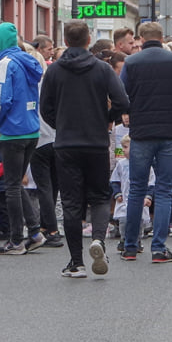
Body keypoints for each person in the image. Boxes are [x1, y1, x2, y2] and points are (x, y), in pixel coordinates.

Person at [39, 20, 129, 278]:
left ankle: (76, 262)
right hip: (96, 141)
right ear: (88, 40)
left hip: (66, 143)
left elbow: (45, 108)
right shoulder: (102, 69)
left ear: (65, 41)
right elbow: (123, 100)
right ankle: (98, 239)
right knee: (100, 196)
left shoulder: (54, 71)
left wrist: (62, 124)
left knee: (70, 201)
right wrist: (107, 117)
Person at [117, 21, 172, 263]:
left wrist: (133, 113)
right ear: (162, 38)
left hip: (141, 133)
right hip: (171, 132)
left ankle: (130, 246)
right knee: (164, 190)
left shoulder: (131, 62)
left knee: (136, 190)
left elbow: (121, 96)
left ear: (141, 38)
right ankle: (159, 248)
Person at [0, 23, 47, 256]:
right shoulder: (27, 61)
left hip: (13, 130)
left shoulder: (6, 63)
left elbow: (2, 98)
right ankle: (34, 232)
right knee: (15, 182)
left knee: (10, 185)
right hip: (31, 129)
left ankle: (16, 239)